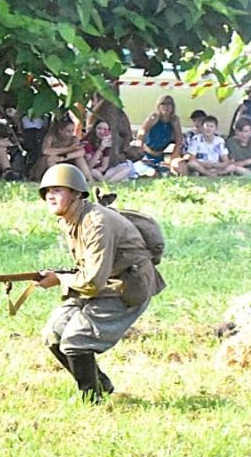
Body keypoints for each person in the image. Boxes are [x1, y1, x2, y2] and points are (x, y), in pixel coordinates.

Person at [36, 164, 163, 402]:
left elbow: (93, 281)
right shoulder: (70, 219)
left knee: (76, 340)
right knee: (53, 334)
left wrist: (59, 280)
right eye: (47, 191)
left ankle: (91, 398)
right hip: (101, 283)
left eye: (58, 189)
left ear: (76, 194)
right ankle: (100, 383)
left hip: (125, 287)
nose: (50, 195)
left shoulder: (97, 223)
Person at [134, 95, 182, 176]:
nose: (166, 107)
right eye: (163, 104)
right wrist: (139, 149)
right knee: (150, 173)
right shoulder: (154, 117)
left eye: (169, 104)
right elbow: (141, 133)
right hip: (146, 153)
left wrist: (174, 156)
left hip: (160, 155)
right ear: (158, 106)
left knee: (166, 174)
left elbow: (179, 138)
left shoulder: (174, 120)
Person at [38, 112, 89, 181]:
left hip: (66, 159)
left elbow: (81, 152)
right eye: (68, 131)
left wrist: (64, 157)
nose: (71, 133)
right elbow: (45, 151)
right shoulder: (51, 137)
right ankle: (59, 180)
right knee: (50, 159)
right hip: (51, 162)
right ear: (60, 131)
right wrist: (69, 149)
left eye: (72, 131)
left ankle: (89, 179)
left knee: (79, 158)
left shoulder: (74, 139)